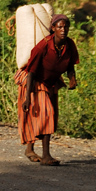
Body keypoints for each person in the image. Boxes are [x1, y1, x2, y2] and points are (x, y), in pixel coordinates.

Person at [16, 14, 78, 166]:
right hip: (34, 80)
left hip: (51, 81)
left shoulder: (69, 45)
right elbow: (31, 71)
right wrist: (28, 97)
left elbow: (70, 65)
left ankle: (30, 150)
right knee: (46, 114)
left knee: (42, 116)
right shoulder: (43, 45)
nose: (63, 30)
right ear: (53, 29)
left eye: (65, 27)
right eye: (59, 27)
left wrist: (72, 78)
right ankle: (46, 156)